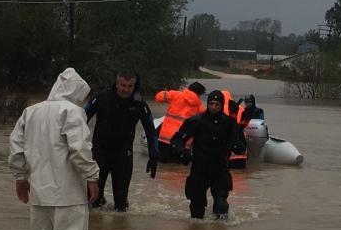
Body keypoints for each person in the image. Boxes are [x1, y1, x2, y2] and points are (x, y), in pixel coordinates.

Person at [8, 68, 100, 230]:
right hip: (69, 194)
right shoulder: (73, 112)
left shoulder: (30, 112)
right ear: (77, 92)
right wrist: (92, 177)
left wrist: (21, 177)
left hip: (39, 193)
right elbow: (79, 149)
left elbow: (16, 148)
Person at [85, 70, 158, 212]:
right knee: (92, 201)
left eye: (130, 86)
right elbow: (80, 122)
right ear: (116, 83)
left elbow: (151, 131)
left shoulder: (139, 104)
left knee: (121, 205)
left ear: (134, 85)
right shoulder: (101, 98)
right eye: (123, 85)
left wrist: (154, 157)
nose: (126, 89)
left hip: (123, 155)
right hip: (100, 153)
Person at [171, 90, 245, 219]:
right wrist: (183, 152)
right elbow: (176, 140)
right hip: (199, 169)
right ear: (207, 104)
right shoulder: (197, 121)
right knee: (197, 210)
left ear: (222, 105)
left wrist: (236, 144)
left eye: (217, 104)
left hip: (220, 169)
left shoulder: (229, 123)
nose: (214, 107)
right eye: (211, 103)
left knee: (221, 206)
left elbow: (239, 147)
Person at [154, 81, 206, 162]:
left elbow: (158, 97)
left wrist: (164, 92)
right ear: (199, 94)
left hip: (164, 138)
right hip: (181, 143)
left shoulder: (175, 95)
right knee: (178, 167)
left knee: (162, 166)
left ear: (189, 88)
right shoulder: (199, 106)